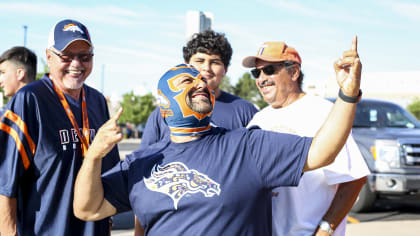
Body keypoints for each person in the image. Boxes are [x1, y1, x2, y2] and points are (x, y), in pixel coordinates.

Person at [73, 36, 362, 236]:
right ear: (163, 105)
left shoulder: (247, 145)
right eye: (188, 80)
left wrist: (347, 95)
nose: (200, 82)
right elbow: (87, 208)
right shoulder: (141, 161)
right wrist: (94, 155)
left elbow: (322, 152)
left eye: (202, 81)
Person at [0, 19, 120, 236]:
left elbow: (108, 175)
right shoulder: (29, 99)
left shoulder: (97, 101)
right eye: (66, 56)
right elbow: (4, 183)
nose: (76, 63)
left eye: (85, 57)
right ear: (48, 56)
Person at [244, 40, 369, 236]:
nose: (261, 79)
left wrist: (325, 230)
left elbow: (354, 179)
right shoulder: (258, 119)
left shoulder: (323, 112)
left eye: (269, 70)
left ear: (294, 72)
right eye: (256, 73)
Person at [140, 30, 258, 148]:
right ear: (186, 65)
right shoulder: (164, 112)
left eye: (215, 62)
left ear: (225, 69)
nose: (206, 68)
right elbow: (145, 159)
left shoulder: (245, 111)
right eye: (199, 61)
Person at [0, 46, 37, 116]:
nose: (0, 81)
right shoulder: (50, 106)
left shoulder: (9, 117)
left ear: (20, 73)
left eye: (3, 72)